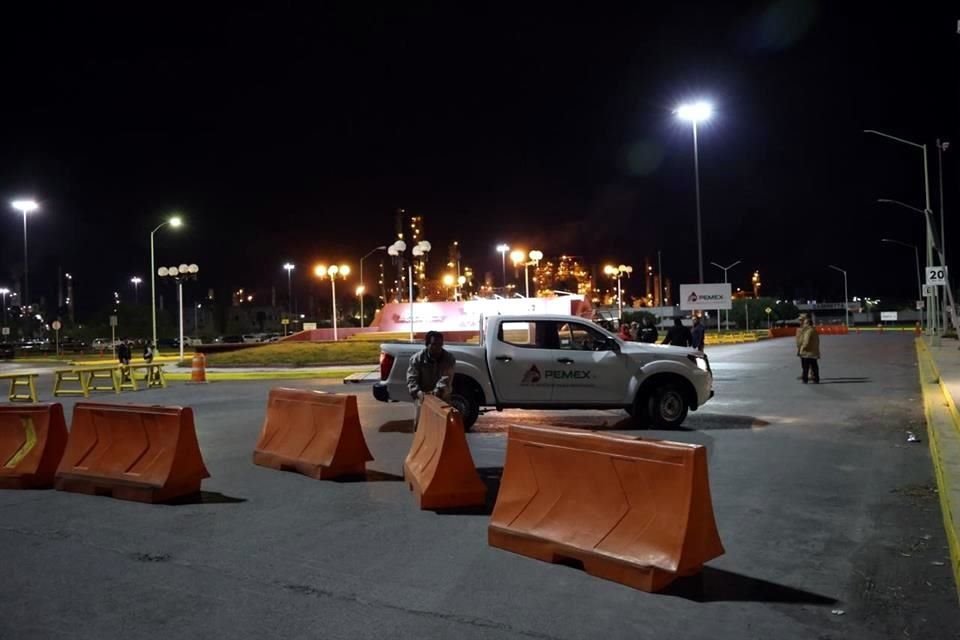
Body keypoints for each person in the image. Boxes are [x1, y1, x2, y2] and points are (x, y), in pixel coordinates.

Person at [406, 331, 456, 429]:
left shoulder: (449, 358)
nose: (437, 348)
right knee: (421, 427)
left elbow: (446, 378)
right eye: (434, 344)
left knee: (444, 428)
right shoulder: (416, 359)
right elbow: (412, 378)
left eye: (440, 344)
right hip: (423, 399)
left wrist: (437, 391)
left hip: (442, 398)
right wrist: (417, 392)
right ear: (427, 344)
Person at [796, 314, 820, 383]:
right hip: (813, 351)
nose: (803, 323)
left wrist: (802, 349)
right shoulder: (813, 330)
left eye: (804, 322)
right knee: (814, 366)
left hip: (807, 352)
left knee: (805, 367)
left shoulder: (808, 331)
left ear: (807, 323)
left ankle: (805, 379)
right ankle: (816, 379)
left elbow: (806, 341)